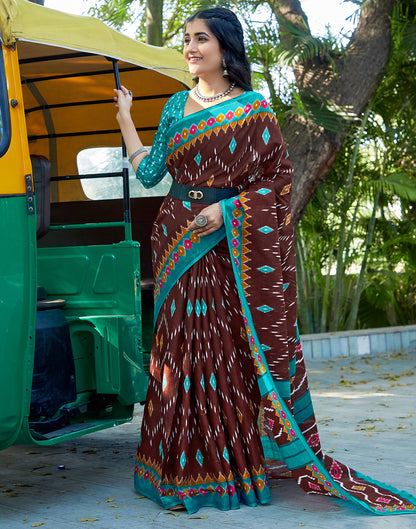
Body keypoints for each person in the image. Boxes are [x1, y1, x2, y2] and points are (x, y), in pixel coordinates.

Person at [114, 7, 416, 516]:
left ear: (226, 49)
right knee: (178, 354)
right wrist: (125, 119)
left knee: (221, 354)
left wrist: (226, 209)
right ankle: (176, 469)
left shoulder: (254, 110)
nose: (189, 47)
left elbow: (276, 185)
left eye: (200, 39)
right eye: (186, 39)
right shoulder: (174, 105)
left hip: (223, 242)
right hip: (174, 241)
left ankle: (226, 470)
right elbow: (149, 174)